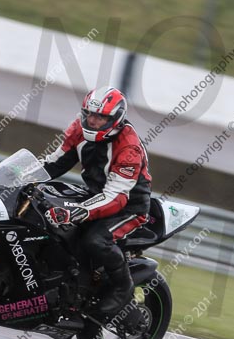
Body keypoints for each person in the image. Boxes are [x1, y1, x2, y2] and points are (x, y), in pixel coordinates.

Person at [41, 86, 152, 315]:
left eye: (100, 117)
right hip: (95, 195)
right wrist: (16, 176)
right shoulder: (79, 128)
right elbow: (53, 163)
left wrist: (76, 212)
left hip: (128, 206)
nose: (92, 120)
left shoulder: (129, 146)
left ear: (115, 119)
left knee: (95, 240)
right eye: (89, 114)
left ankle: (123, 287)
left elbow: (115, 197)